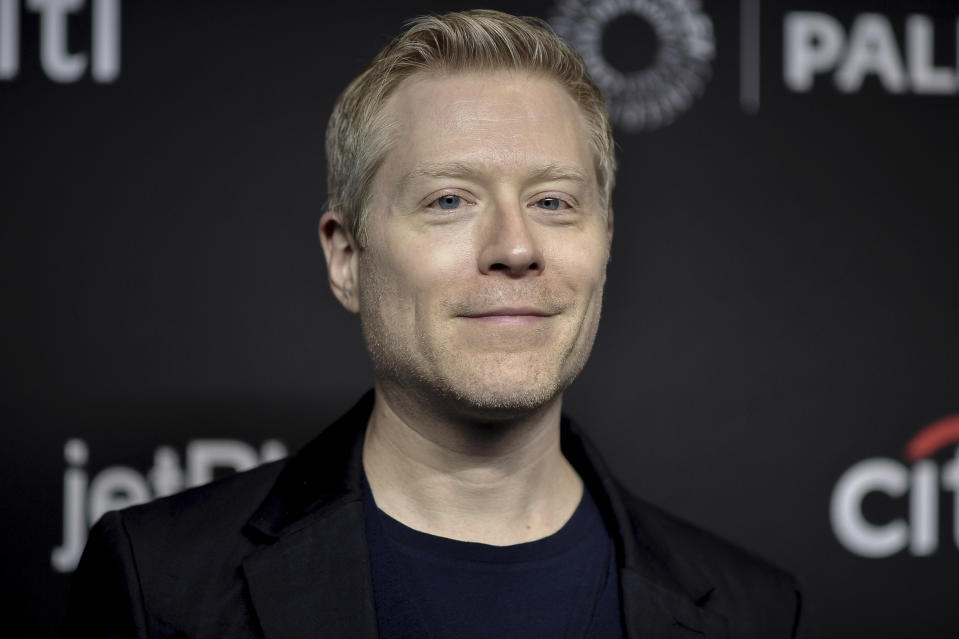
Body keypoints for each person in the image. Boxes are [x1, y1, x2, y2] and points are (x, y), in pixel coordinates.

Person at [64, 9, 807, 639]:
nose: (515, 247)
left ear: (603, 246)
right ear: (347, 257)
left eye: (552, 201)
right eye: (449, 200)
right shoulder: (158, 582)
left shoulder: (753, 610)